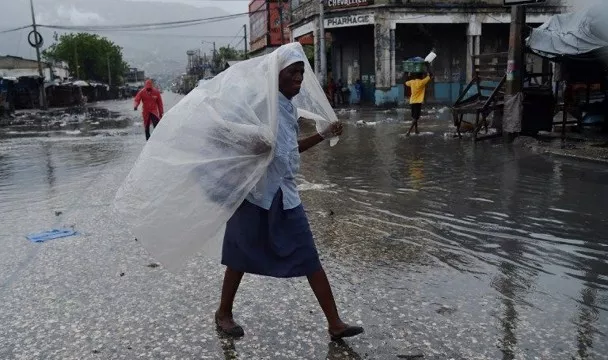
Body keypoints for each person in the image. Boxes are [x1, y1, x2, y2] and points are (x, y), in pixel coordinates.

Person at [215, 46, 364, 342]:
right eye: (292, 72)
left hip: (284, 193)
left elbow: (287, 149)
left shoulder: (288, 108)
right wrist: (252, 145)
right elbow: (227, 134)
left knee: (309, 256)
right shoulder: (259, 104)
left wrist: (323, 135)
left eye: (301, 73)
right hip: (255, 193)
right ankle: (223, 313)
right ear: (276, 75)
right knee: (239, 256)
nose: (298, 78)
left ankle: (335, 323)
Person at [405, 63, 433, 136]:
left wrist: (408, 74)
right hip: (418, 102)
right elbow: (431, 75)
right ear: (421, 76)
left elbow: (406, 82)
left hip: (412, 101)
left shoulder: (412, 82)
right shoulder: (422, 82)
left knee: (414, 117)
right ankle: (408, 131)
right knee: (416, 118)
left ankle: (416, 130)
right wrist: (428, 66)